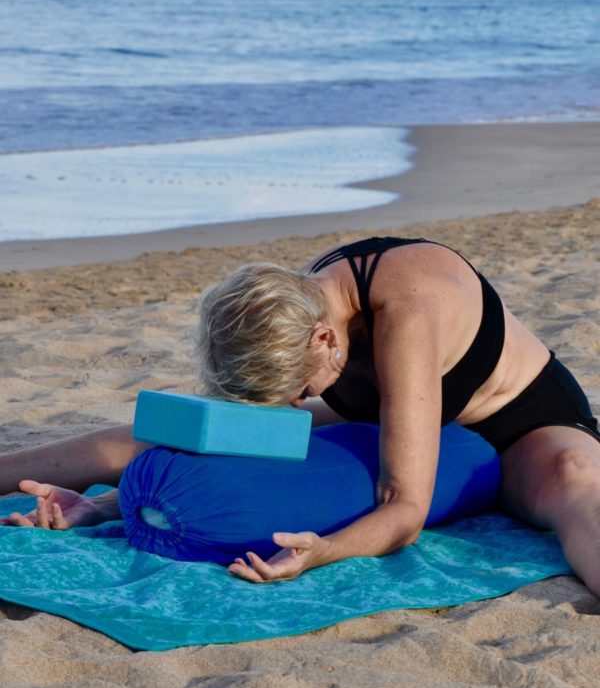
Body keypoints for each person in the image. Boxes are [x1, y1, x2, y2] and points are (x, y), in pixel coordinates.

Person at [2, 236, 600, 593]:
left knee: (574, 479)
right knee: (183, 433)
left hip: (518, 426)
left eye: (296, 389)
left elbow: (405, 509)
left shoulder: (407, 312)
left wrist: (326, 550)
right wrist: (107, 506)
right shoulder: (292, 307)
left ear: (322, 340)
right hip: (396, 420)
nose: (293, 403)